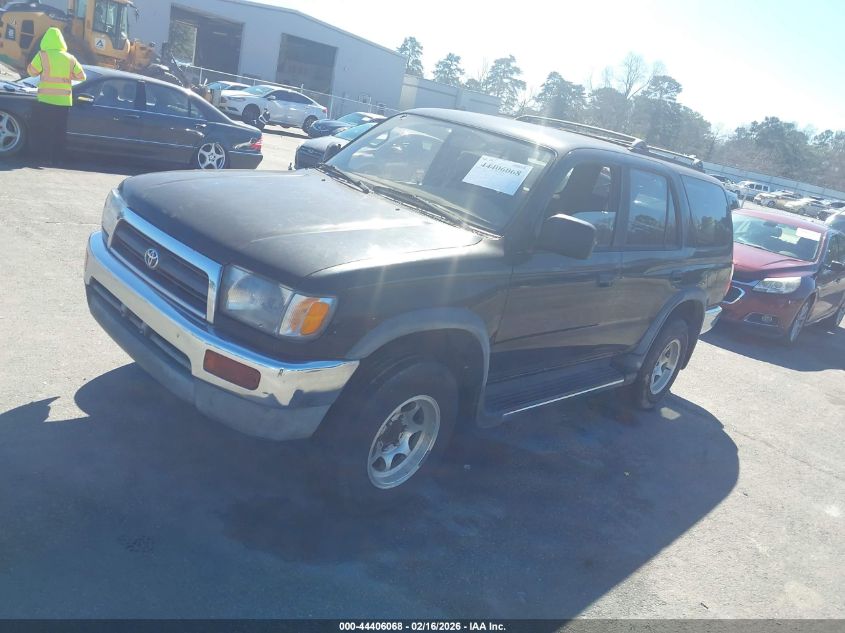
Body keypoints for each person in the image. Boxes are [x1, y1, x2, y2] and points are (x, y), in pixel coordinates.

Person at [26, 27, 86, 165]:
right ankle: (58, 159)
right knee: (60, 131)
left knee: (45, 130)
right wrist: (67, 76)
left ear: (45, 40)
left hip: (46, 100)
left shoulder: (42, 55)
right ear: (62, 41)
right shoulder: (70, 58)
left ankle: (43, 158)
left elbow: (31, 72)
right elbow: (82, 76)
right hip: (64, 101)